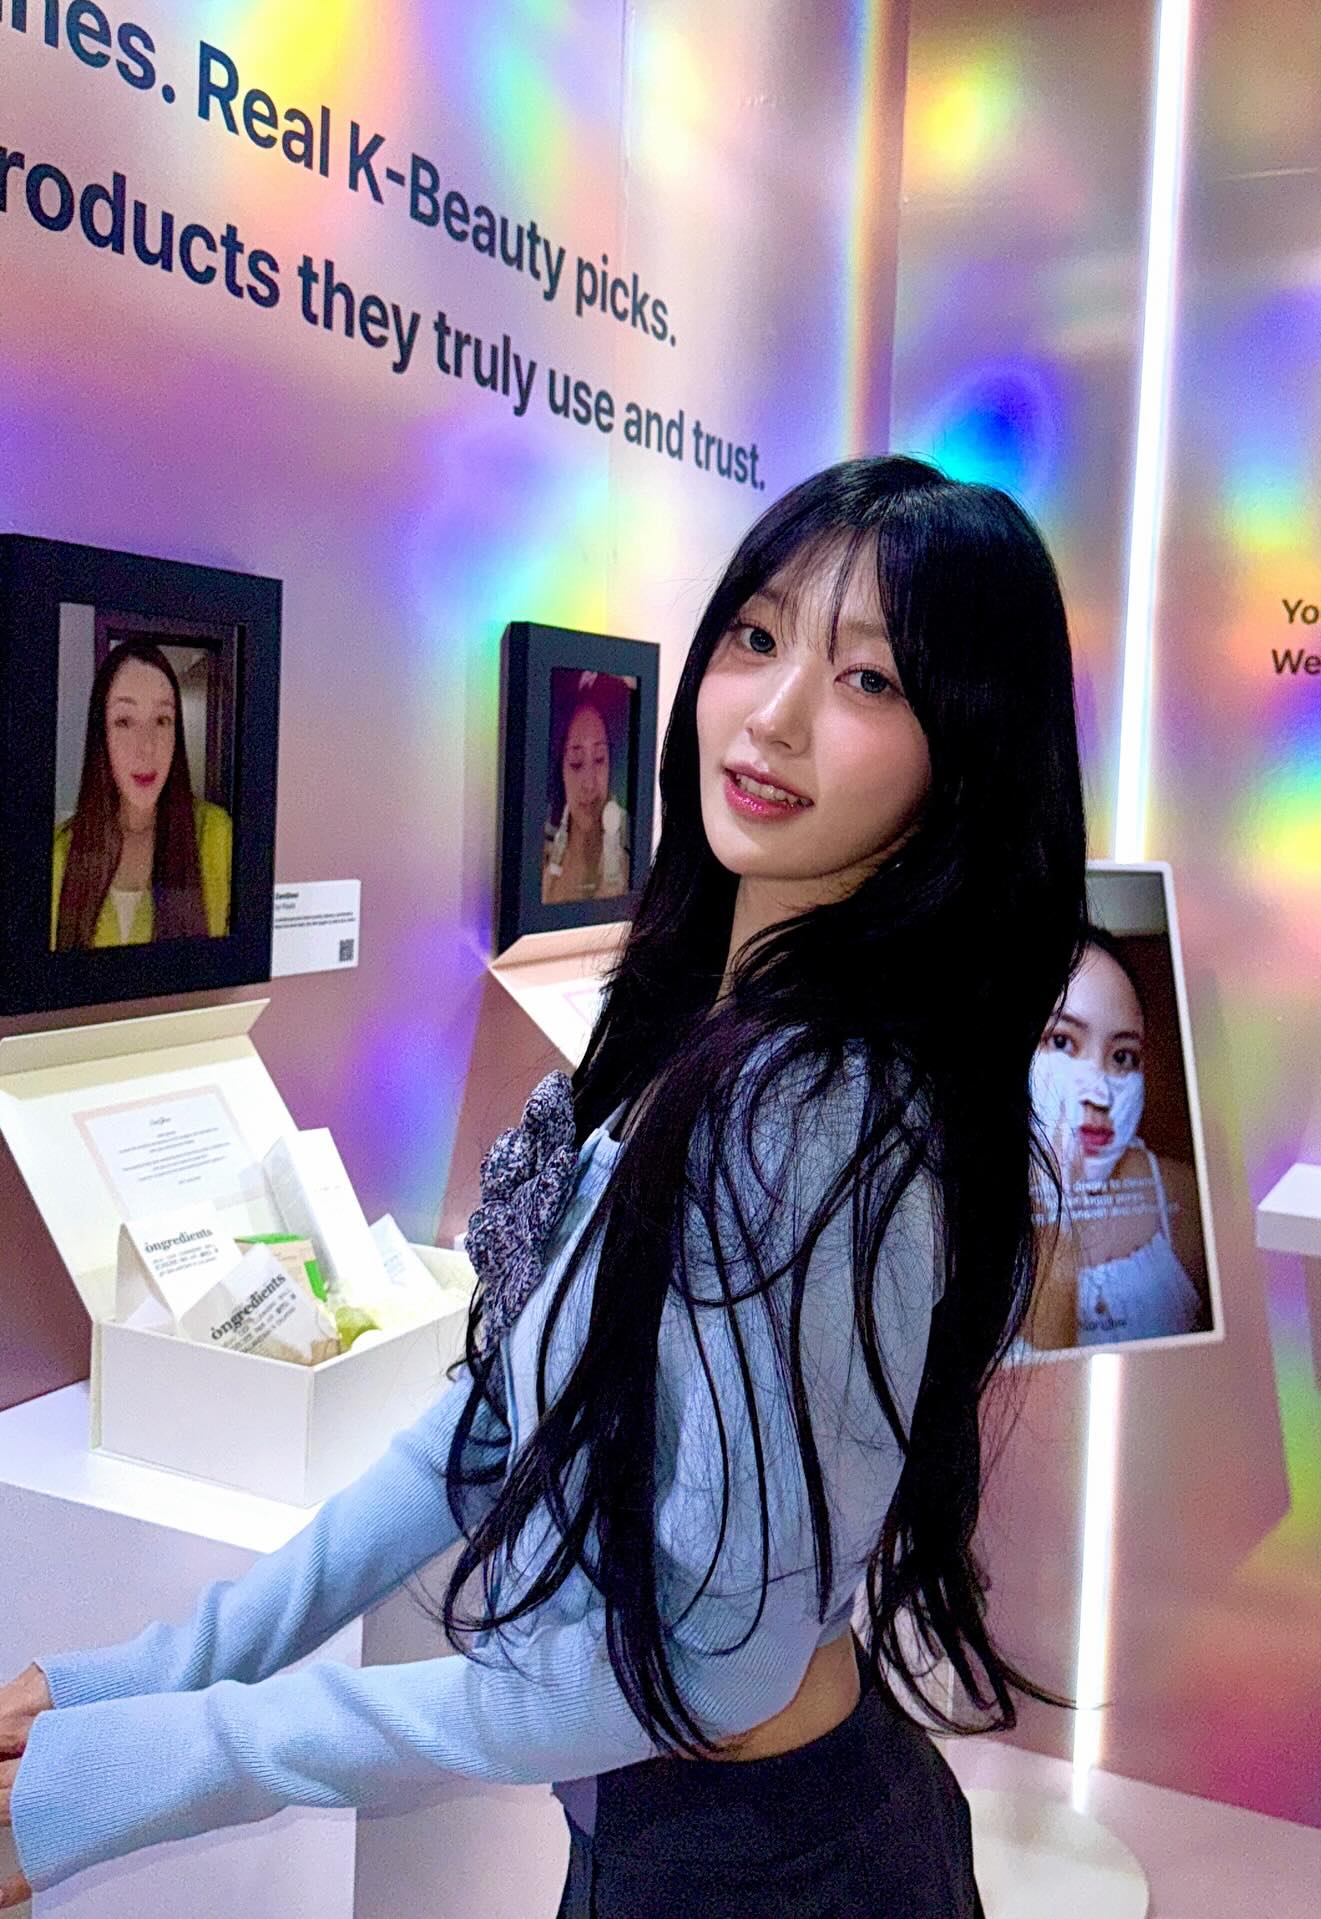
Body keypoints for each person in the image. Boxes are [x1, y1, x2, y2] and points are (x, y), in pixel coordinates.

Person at [0, 454, 1090, 1916]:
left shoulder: (818, 1109)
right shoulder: (704, 1025)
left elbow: (694, 1671)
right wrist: (144, 1678)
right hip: (695, 1835)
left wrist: (165, 1753)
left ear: (967, 749)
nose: (772, 714)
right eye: (758, 634)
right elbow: (495, 1423)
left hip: (761, 1869)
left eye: (869, 679)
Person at [1029, 928, 1207, 1347]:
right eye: (1062, 1042)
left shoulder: (1187, 1199)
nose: (1100, 1095)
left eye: (1122, 1057)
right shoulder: (948, 1213)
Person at [52, 637, 232, 950]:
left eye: (162, 720)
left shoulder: (216, 836)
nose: (147, 746)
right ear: (102, 734)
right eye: (124, 721)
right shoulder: (59, 854)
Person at [542, 675, 632, 905]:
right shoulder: (540, 866)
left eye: (600, 758)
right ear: (560, 770)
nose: (590, 783)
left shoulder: (631, 875)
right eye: (576, 762)